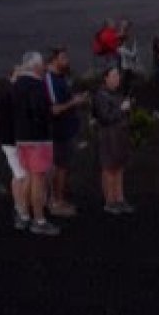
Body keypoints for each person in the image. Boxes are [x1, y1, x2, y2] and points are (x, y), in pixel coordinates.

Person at [12, 51, 60, 236]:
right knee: (38, 179)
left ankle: (23, 215)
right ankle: (39, 220)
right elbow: (41, 111)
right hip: (38, 139)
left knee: (26, 177)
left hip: (20, 137)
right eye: (41, 64)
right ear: (35, 66)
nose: (43, 67)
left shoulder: (16, 84)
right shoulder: (37, 85)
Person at [45, 46, 88, 218]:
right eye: (63, 57)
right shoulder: (50, 80)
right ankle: (55, 201)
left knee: (63, 167)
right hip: (57, 131)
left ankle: (58, 198)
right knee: (58, 167)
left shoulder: (60, 77)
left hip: (67, 129)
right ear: (54, 59)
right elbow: (53, 110)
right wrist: (74, 102)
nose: (67, 61)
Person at [92, 67, 134, 214]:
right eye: (114, 75)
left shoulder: (116, 94)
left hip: (119, 135)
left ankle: (119, 198)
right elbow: (105, 117)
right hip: (108, 136)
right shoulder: (101, 96)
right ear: (106, 77)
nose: (117, 78)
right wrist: (122, 109)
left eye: (118, 76)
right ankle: (110, 201)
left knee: (119, 167)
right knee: (109, 168)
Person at [0, 66, 29, 230]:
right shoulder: (10, 95)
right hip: (12, 141)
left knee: (19, 174)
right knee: (21, 175)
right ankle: (21, 210)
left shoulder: (13, 93)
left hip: (14, 140)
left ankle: (22, 207)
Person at [117, 20, 139, 96]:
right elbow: (132, 54)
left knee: (128, 84)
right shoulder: (122, 46)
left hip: (126, 65)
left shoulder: (122, 46)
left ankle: (126, 98)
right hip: (125, 66)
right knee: (126, 84)